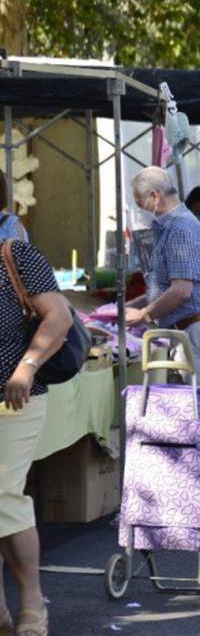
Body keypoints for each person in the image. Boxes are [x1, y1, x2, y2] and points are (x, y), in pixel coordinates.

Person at [0, 240, 72, 636]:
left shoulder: (16, 255)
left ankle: (32, 602)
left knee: (4, 496)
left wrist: (27, 367)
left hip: (13, 400)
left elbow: (58, 317)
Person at [125, 167, 200, 388]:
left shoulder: (180, 229)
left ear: (155, 196)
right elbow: (164, 288)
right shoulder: (173, 226)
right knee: (197, 405)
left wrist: (144, 315)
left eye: (139, 203)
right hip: (196, 327)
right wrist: (128, 307)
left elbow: (182, 290)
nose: (140, 209)